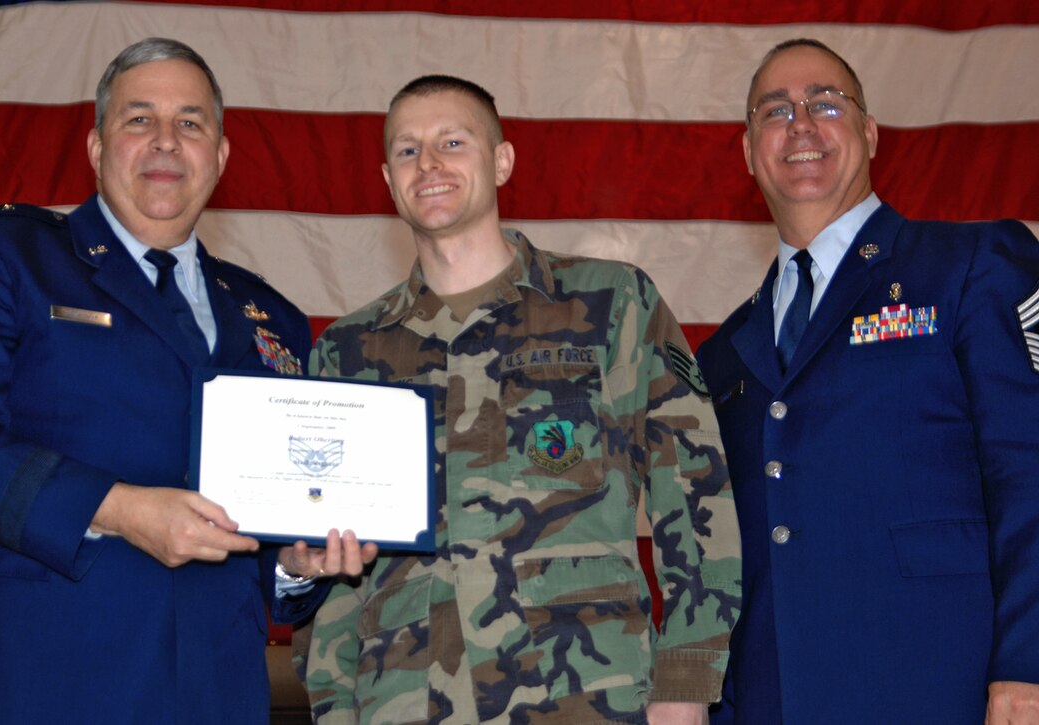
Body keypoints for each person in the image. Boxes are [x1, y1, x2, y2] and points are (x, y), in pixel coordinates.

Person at [292, 74, 741, 724]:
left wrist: (686, 681)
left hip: (586, 695)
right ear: (388, 179)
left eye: (452, 141)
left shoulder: (610, 304)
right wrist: (335, 707)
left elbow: (696, 490)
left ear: (501, 160)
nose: (430, 164)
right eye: (408, 150)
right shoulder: (350, 350)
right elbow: (339, 571)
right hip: (403, 700)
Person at [0, 38, 375, 724]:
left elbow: (267, 549)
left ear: (221, 155)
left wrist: (297, 564)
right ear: (95, 147)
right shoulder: (6, 257)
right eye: (139, 118)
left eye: (190, 123)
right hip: (39, 680)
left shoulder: (274, 319)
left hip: (215, 690)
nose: (166, 142)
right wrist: (117, 508)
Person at [696, 38, 1039, 724]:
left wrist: (1027, 667)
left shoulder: (971, 265)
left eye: (826, 103)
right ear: (747, 152)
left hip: (943, 687)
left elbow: (1029, 469)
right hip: (772, 701)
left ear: (870, 133)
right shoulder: (723, 354)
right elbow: (719, 555)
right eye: (774, 110)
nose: (800, 123)